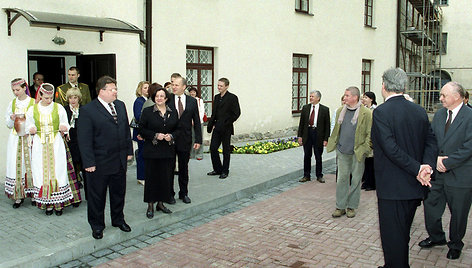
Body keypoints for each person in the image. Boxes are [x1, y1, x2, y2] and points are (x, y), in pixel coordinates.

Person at [371, 68, 437, 268]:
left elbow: (390, 148)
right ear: (404, 86)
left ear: (383, 86)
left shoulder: (381, 112)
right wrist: (426, 167)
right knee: (401, 235)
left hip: (393, 189)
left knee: (393, 239)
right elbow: (431, 141)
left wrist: (419, 168)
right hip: (415, 187)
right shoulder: (418, 110)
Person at [419, 81, 472, 260]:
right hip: (437, 173)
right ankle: (436, 237)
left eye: (443, 95)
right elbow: (431, 139)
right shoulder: (440, 115)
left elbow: (469, 147)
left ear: (457, 97)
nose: (440, 98)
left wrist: (447, 162)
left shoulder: (470, 116)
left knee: (458, 212)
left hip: (460, 175)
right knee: (431, 206)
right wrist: (433, 160)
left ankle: (456, 243)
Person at [77, 76, 133, 239]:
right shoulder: (88, 110)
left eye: (116, 89)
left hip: (119, 160)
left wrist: (128, 150)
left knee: (118, 193)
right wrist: (88, 162)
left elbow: (124, 131)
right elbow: (84, 139)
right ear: (102, 91)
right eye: (112, 89)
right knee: (97, 196)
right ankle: (97, 225)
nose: (115, 92)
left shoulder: (120, 106)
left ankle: (118, 219)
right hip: (98, 163)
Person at [26, 83, 77, 216]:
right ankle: (47, 204)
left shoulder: (58, 107)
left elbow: (65, 122)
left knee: (57, 169)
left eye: (50, 98)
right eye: (46, 98)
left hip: (55, 143)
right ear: (40, 95)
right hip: (39, 144)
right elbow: (28, 124)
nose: (49, 101)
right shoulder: (33, 109)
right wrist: (31, 128)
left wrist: (64, 127)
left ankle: (58, 205)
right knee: (42, 171)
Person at [327, 86, 372, 218]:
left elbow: (370, 133)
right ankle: (340, 206)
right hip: (342, 151)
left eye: (347, 95)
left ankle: (352, 206)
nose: (344, 98)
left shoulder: (366, 113)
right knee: (342, 179)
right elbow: (336, 130)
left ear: (355, 97)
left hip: (357, 152)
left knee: (356, 180)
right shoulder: (341, 110)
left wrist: (364, 149)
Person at [139, 87, 178, 218]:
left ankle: (160, 203)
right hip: (152, 151)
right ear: (154, 98)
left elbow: (179, 129)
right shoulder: (147, 111)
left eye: (162, 96)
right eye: (157, 96)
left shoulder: (173, 112)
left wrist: (171, 136)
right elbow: (142, 129)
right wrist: (155, 135)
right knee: (151, 178)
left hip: (167, 151)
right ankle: (150, 205)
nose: (159, 98)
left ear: (166, 98)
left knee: (164, 178)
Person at [168, 77, 202, 204]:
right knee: (169, 168)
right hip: (170, 139)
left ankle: (184, 193)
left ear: (184, 87)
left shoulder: (192, 101)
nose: (174, 87)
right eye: (173, 84)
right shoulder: (168, 99)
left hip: (185, 139)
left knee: (183, 168)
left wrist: (198, 139)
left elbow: (197, 121)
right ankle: (169, 194)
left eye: (177, 85)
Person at [5, 78, 35, 208]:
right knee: (17, 164)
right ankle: (18, 195)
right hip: (16, 138)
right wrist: (12, 118)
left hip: (28, 138)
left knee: (32, 165)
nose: (16, 92)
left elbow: (36, 120)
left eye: (17, 90)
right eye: (13, 90)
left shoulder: (33, 103)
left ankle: (34, 194)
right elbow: (8, 123)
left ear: (24, 88)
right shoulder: (12, 104)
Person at [207, 78, 241, 179]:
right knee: (213, 148)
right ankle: (218, 169)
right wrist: (211, 124)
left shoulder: (232, 97)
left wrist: (227, 122)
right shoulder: (216, 97)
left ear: (226, 86)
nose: (219, 87)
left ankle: (225, 171)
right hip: (217, 127)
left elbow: (237, 113)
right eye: (218, 85)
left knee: (226, 150)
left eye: (221, 86)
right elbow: (214, 113)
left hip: (226, 128)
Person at [297, 90, 330, 183]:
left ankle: (319, 175)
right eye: (310, 96)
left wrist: (326, 139)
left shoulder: (325, 109)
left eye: (312, 96)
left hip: (318, 134)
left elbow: (327, 125)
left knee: (318, 155)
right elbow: (302, 123)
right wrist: (300, 136)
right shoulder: (305, 108)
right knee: (307, 155)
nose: (310, 98)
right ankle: (306, 175)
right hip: (307, 133)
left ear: (318, 98)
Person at [64, 87, 85, 192]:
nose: (73, 100)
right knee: (72, 159)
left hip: (81, 137)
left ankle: (81, 176)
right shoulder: (64, 110)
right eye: (70, 98)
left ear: (79, 98)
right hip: (69, 138)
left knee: (81, 159)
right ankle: (74, 179)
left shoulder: (84, 109)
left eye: (75, 97)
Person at [133, 81, 150, 186]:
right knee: (142, 154)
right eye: (145, 88)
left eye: (148, 87)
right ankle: (141, 177)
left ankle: (146, 175)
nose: (147, 89)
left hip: (147, 132)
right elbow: (139, 117)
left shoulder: (148, 100)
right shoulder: (139, 101)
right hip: (141, 132)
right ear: (140, 90)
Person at [361, 91, 377, 191]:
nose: (364, 99)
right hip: (364, 138)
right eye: (363, 97)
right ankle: (366, 182)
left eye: (366, 97)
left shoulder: (375, 110)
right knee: (365, 162)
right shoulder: (363, 109)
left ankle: (372, 183)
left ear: (371, 99)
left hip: (372, 139)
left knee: (371, 162)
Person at [188, 86, 205, 160]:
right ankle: (191, 153)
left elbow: (201, 111)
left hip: (199, 122)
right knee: (191, 138)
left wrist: (196, 121)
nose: (192, 93)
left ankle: (199, 154)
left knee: (199, 138)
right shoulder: (188, 100)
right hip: (190, 122)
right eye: (191, 92)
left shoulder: (199, 100)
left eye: (194, 92)